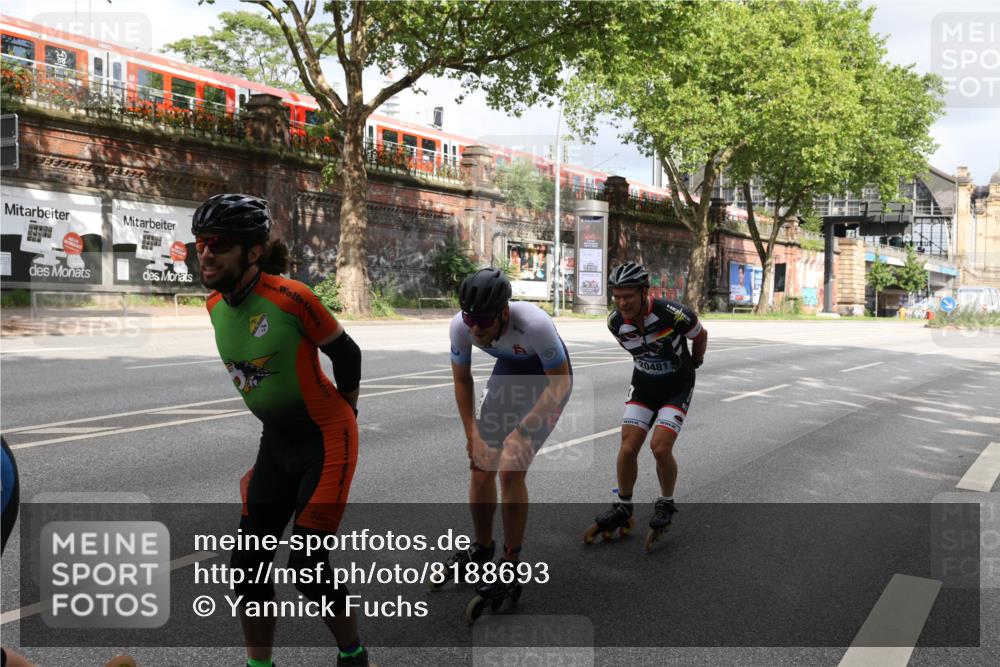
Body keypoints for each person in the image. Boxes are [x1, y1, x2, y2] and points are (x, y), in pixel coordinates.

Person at [192, 194, 368, 667]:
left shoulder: (293, 298)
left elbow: (346, 355)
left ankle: (352, 654)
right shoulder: (212, 305)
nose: (205, 253)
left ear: (252, 252)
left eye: (219, 244)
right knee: (247, 566)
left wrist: (345, 419)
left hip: (325, 440)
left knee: (308, 570)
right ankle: (259, 665)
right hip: (276, 444)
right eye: (201, 242)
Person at [442, 268, 572, 618]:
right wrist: (472, 434)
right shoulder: (461, 326)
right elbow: (462, 380)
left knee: (511, 469)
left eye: (483, 321)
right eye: (470, 320)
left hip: (548, 381)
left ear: (503, 312)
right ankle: (483, 547)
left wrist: (524, 429)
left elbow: (559, 383)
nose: (475, 330)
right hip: (509, 374)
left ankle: (511, 562)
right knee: (481, 467)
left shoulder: (534, 324)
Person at [587, 262, 708, 551]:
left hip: (676, 387)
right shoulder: (615, 322)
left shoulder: (672, 314)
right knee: (628, 446)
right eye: (617, 296)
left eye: (628, 296)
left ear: (644, 292)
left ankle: (666, 503)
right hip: (644, 384)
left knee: (660, 447)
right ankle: (623, 505)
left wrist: (695, 363)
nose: (622, 302)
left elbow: (700, 335)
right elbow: (632, 349)